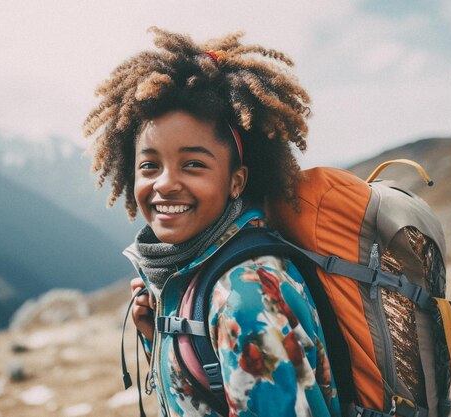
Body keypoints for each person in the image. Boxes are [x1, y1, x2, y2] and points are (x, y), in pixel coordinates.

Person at [84, 27, 341, 417]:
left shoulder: (244, 298)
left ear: (236, 180)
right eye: (149, 165)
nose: (165, 183)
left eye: (193, 164)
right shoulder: (197, 272)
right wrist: (165, 338)